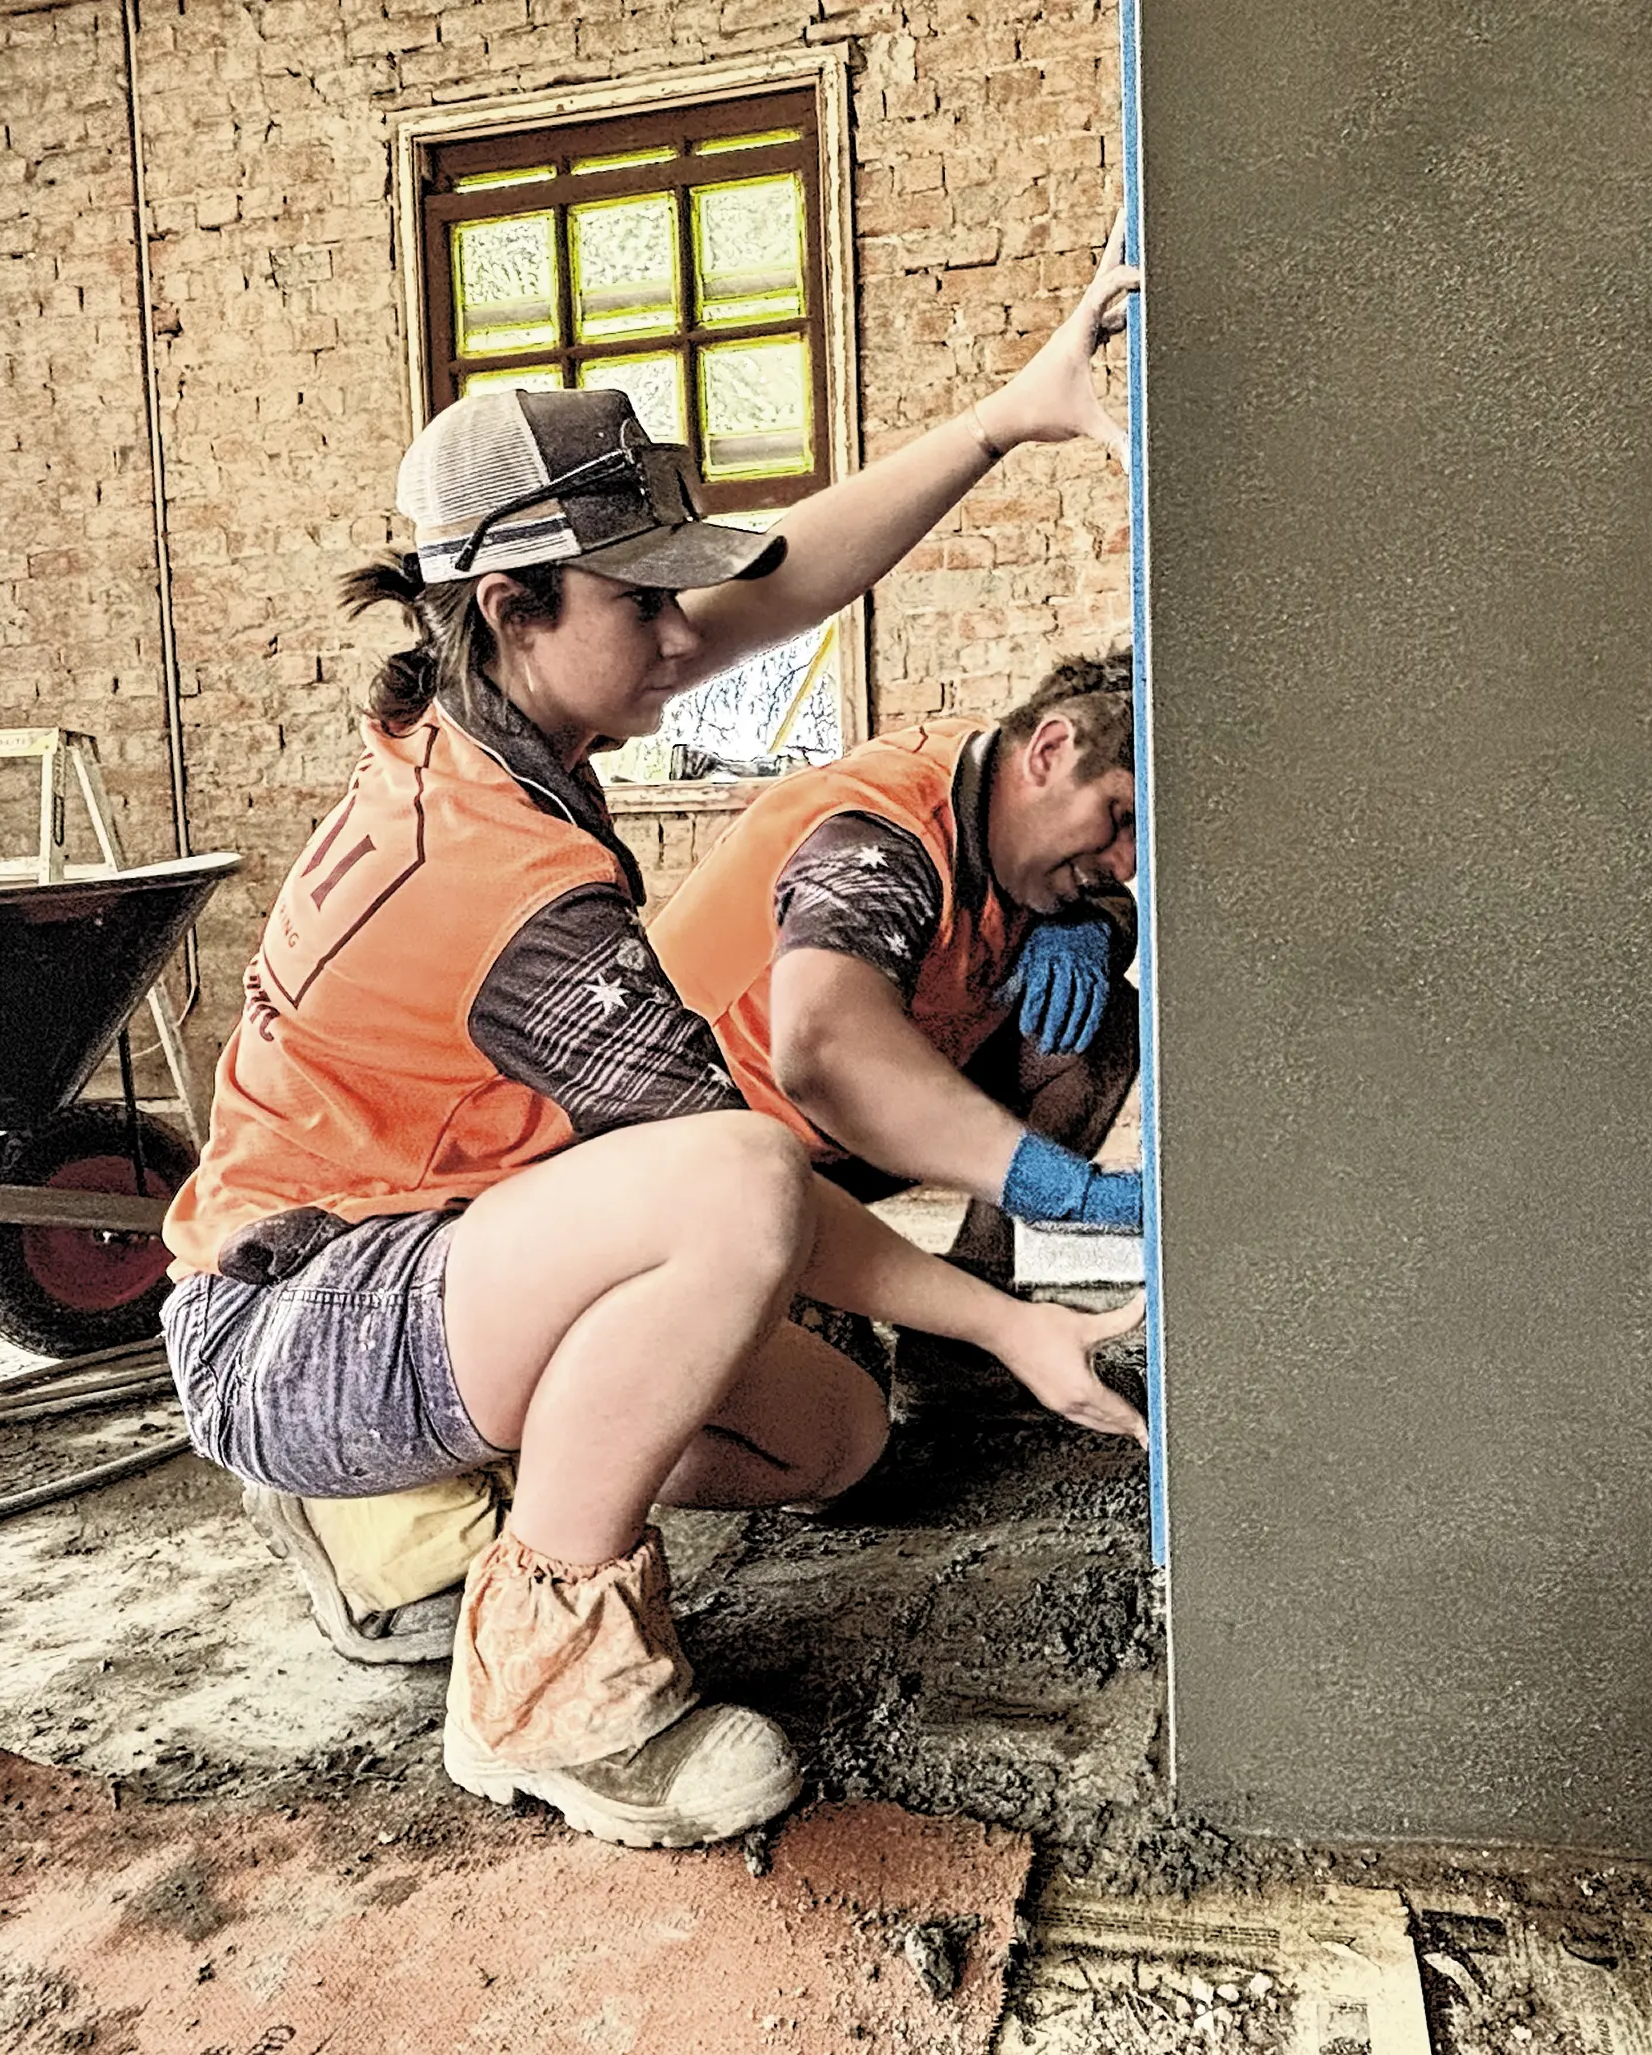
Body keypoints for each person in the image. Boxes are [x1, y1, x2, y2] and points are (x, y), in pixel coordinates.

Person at [159, 258, 1146, 1853]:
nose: (687, 634)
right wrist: (1011, 1313)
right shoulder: (508, 875)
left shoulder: (486, 712)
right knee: (735, 1178)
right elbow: (754, 1178)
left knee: (835, 1433)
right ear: (513, 604)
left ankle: (495, 1482)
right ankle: (538, 1689)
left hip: (429, 1254)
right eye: (645, 603)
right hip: (291, 1320)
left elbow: (781, 583)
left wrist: (1000, 421)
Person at [647, 648, 1141, 1292]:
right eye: (1120, 818)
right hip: (716, 1148)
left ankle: (976, 1307)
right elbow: (824, 1053)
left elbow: (1108, 899)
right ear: (1049, 752)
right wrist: (1058, 1188)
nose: (1127, 863)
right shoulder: (876, 844)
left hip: (853, 1134)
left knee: (1103, 1023)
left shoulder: (989, 776)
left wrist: (1097, 923)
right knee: (816, 1354)